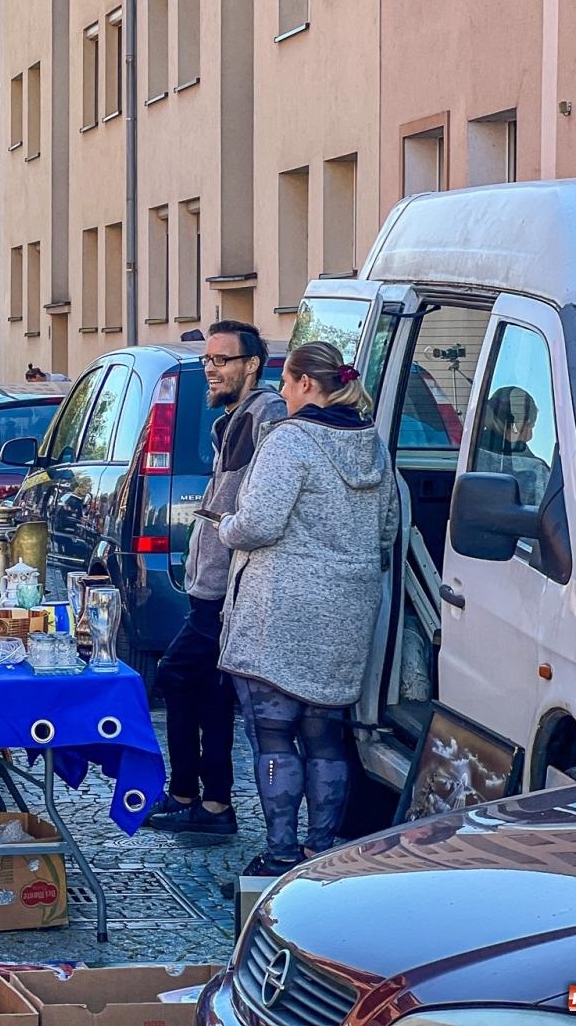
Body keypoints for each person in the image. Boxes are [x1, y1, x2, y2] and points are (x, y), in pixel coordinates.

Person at [217, 341, 399, 878]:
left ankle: (279, 855)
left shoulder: (289, 440)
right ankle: (322, 854)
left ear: (302, 384)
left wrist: (225, 525)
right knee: (326, 734)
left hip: (282, 608)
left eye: (288, 383)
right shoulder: (373, 444)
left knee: (273, 735)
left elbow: (258, 524)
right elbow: (387, 531)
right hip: (348, 610)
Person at [147, 321, 285, 838]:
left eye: (223, 360)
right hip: (213, 585)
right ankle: (211, 804)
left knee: (175, 676)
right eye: (208, 360)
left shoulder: (263, 416)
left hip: (231, 589)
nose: (211, 369)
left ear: (252, 364)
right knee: (207, 690)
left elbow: (258, 507)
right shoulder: (232, 419)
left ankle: (192, 793)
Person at [476, 385, 552, 506]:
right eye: (531, 425)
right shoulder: (535, 470)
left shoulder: (471, 455)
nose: (530, 435)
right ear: (516, 424)